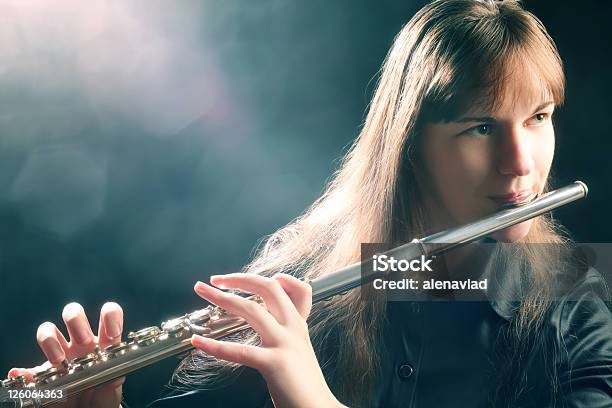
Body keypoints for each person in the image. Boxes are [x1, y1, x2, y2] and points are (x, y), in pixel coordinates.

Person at [7, 0, 612, 407]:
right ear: (408, 147)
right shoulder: (307, 284)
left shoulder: (582, 300)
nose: (521, 162)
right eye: (480, 128)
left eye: (537, 118)